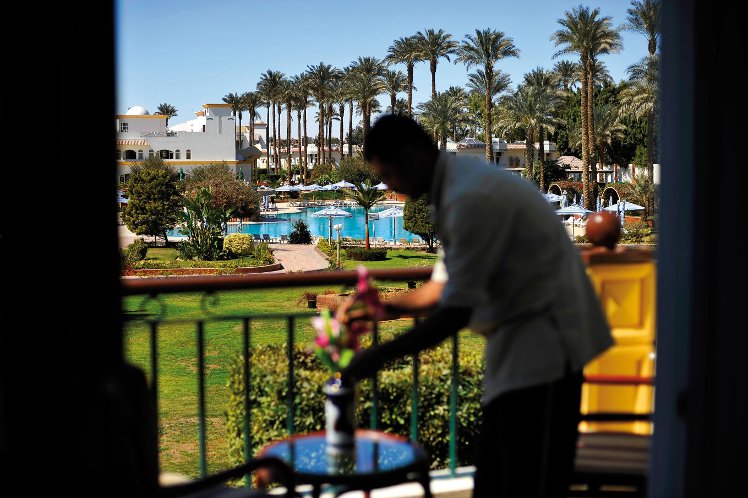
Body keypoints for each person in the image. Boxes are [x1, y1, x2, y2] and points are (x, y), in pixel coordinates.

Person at [337, 114, 612, 498]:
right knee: (497, 481)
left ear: (412, 158)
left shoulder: (468, 198)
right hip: (520, 350)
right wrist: (379, 308)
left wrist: (375, 357)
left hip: (550, 349)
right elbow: (441, 287)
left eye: (387, 174)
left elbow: (455, 312)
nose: (388, 186)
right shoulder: (456, 187)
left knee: (527, 484)